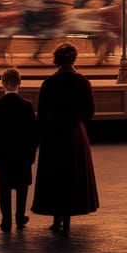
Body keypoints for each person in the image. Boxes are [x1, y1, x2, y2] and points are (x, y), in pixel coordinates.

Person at [31, 43, 99, 235]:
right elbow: (89, 111)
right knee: (73, 173)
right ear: (74, 59)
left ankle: (56, 218)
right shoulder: (82, 81)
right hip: (75, 132)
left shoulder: (49, 83)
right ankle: (68, 218)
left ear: (56, 60)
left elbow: (42, 113)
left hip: (54, 132)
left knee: (55, 174)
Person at [0, 68, 39, 231]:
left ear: (2, 83)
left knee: (4, 188)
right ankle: (19, 217)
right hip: (22, 155)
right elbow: (33, 133)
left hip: (3, 155)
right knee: (22, 187)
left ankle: (6, 219)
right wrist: (31, 154)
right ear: (19, 83)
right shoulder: (27, 106)